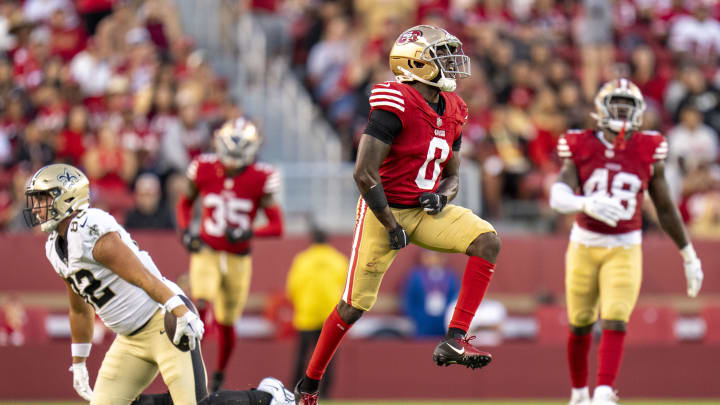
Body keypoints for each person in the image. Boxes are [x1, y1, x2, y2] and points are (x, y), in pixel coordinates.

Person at [294, 25, 502, 404]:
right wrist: (390, 226)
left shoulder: (454, 108)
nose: (452, 64)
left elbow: (452, 176)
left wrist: (441, 196)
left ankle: (455, 339)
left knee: (487, 240)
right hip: (382, 210)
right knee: (353, 306)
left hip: (423, 210)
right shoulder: (396, 100)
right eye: (442, 56)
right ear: (416, 64)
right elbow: (363, 172)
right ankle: (308, 385)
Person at [25, 163, 294, 405]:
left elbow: (141, 275)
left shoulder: (88, 229)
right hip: (129, 339)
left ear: (67, 198)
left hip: (163, 320)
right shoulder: (54, 247)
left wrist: (179, 309)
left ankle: (268, 398)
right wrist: (79, 361)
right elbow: (80, 308)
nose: (37, 208)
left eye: (43, 199)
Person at [549, 79, 704, 405]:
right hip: (584, 245)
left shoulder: (649, 147)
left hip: (625, 245)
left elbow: (664, 206)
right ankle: (579, 393)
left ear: (640, 112)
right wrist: (584, 203)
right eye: (616, 105)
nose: (621, 112)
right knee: (579, 324)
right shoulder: (580, 143)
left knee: (616, 316)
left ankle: (604, 391)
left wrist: (688, 254)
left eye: (628, 106)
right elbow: (558, 193)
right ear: (600, 109)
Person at [176, 118, 284, 392]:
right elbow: (185, 203)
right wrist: (186, 231)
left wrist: (250, 231)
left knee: (227, 322)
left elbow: (276, 225)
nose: (233, 160)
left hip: (238, 258)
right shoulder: (203, 167)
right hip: (207, 251)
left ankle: (219, 374)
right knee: (200, 299)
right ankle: (187, 363)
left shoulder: (261, 177)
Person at [286, 227, 347, 397]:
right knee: (327, 357)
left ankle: (295, 392)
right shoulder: (338, 260)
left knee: (302, 356)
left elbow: (292, 287)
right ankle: (324, 394)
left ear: (312, 239)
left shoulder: (302, 260)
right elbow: (346, 288)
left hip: (306, 315)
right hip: (331, 317)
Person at [402, 250, 459, 337]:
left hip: (444, 320)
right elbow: (409, 299)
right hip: (422, 321)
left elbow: (454, 298)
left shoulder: (450, 276)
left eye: (435, 256)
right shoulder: (415, 276)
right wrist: (417, 317)